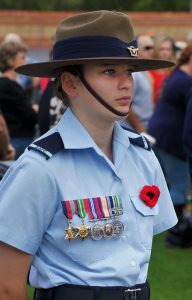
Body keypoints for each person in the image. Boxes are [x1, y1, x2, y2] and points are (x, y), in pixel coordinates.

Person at [0, 11, 177, 300]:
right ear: (70, 83)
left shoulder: (142, 155)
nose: (126, 83)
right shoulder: (39, 167)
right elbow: (6, 287)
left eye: (129, 71)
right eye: (109, 71)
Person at [148, 45, 192, 247]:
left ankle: (168, 227)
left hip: (162, 136)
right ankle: (175, 233)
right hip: (173, 140)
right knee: (180, 186)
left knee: (169, 185)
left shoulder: (178, 76)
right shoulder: (185, 81)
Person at [0, 41, 37, 159]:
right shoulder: (10, 86)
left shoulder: (7, 84)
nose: (25, 61)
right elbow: (30, 116)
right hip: (18, 141)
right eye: (22, 57)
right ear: (11, 60)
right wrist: (35, 109)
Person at [120, 35, 155, 138]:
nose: (151, 51)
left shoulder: (144, 72)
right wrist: (140, 128)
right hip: (134, 129)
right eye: (147, 48)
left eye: (152, 47)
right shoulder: (134, 74)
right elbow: (126, 102)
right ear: (136, 50)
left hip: (145, 125)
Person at [149, 36, 175, 105]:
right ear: (156, 50)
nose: (165, 52)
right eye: (162, 49)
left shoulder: (173, 73)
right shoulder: (149, 73)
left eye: (168, 49)